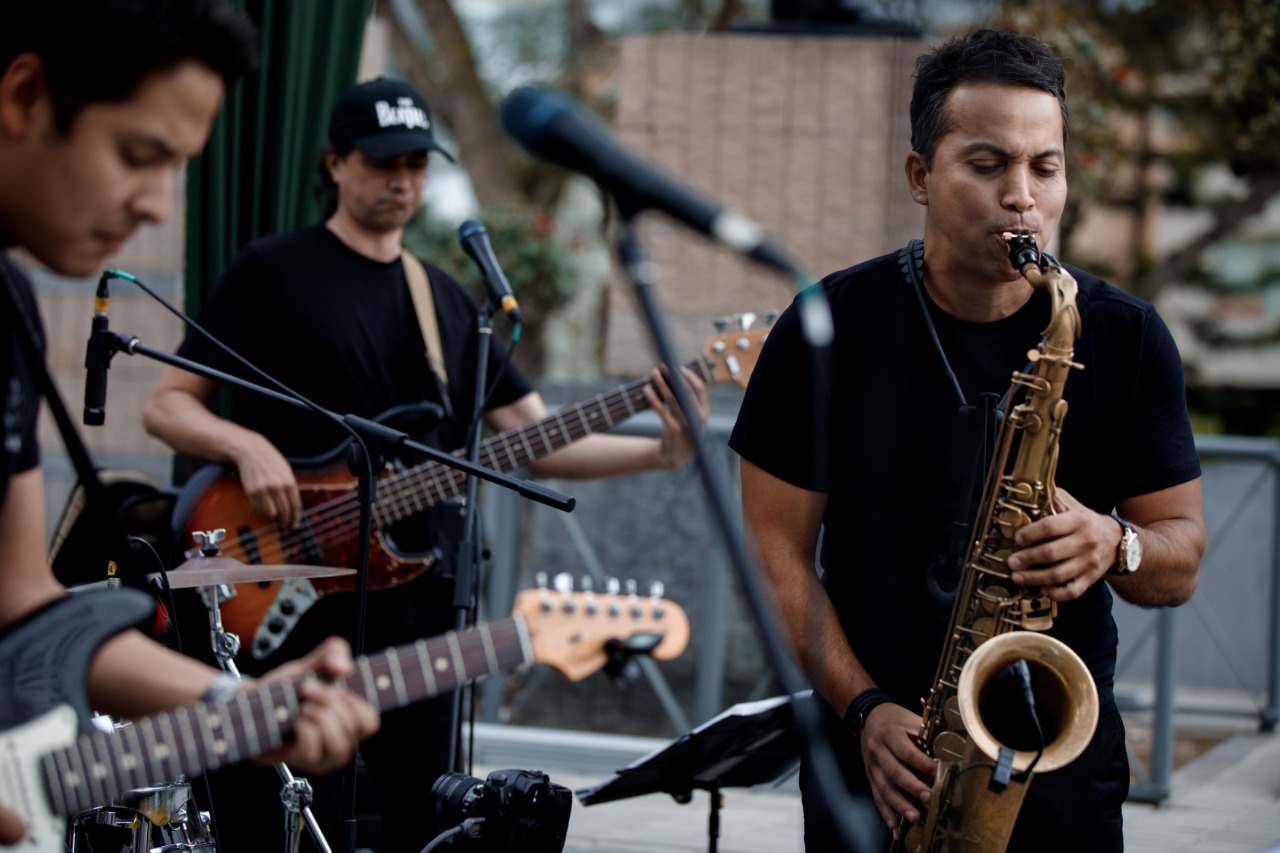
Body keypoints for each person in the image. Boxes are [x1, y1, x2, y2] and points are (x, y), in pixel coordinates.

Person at [142, 77, 709, 852]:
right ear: (336, 163)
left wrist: (661, 449)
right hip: (293, 597)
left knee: (424, 818)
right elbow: (168, 403)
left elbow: (536, 440)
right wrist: (245, 444)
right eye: (382, 162)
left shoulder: (447, 302)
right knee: (294, 824)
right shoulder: (273, 269)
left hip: (420, 608)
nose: (403, 179)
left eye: (416, 162)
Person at [730, 28, 1205, 853]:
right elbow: (773, 548)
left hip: (1063, 765)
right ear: (921, 175)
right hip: (881, 763)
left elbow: (1182, 556)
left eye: (1045, 167)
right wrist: (865, 708)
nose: (1022, 196)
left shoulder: (1125, 336)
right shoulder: (827, 327)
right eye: (988, 165)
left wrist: (1115, 544)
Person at [0, 2, 381, 847]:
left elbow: (22, 605)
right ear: (24, 95)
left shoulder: (13, 308)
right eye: (140, 155)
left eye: (181, 167)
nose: (156, 203)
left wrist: (239, 704)